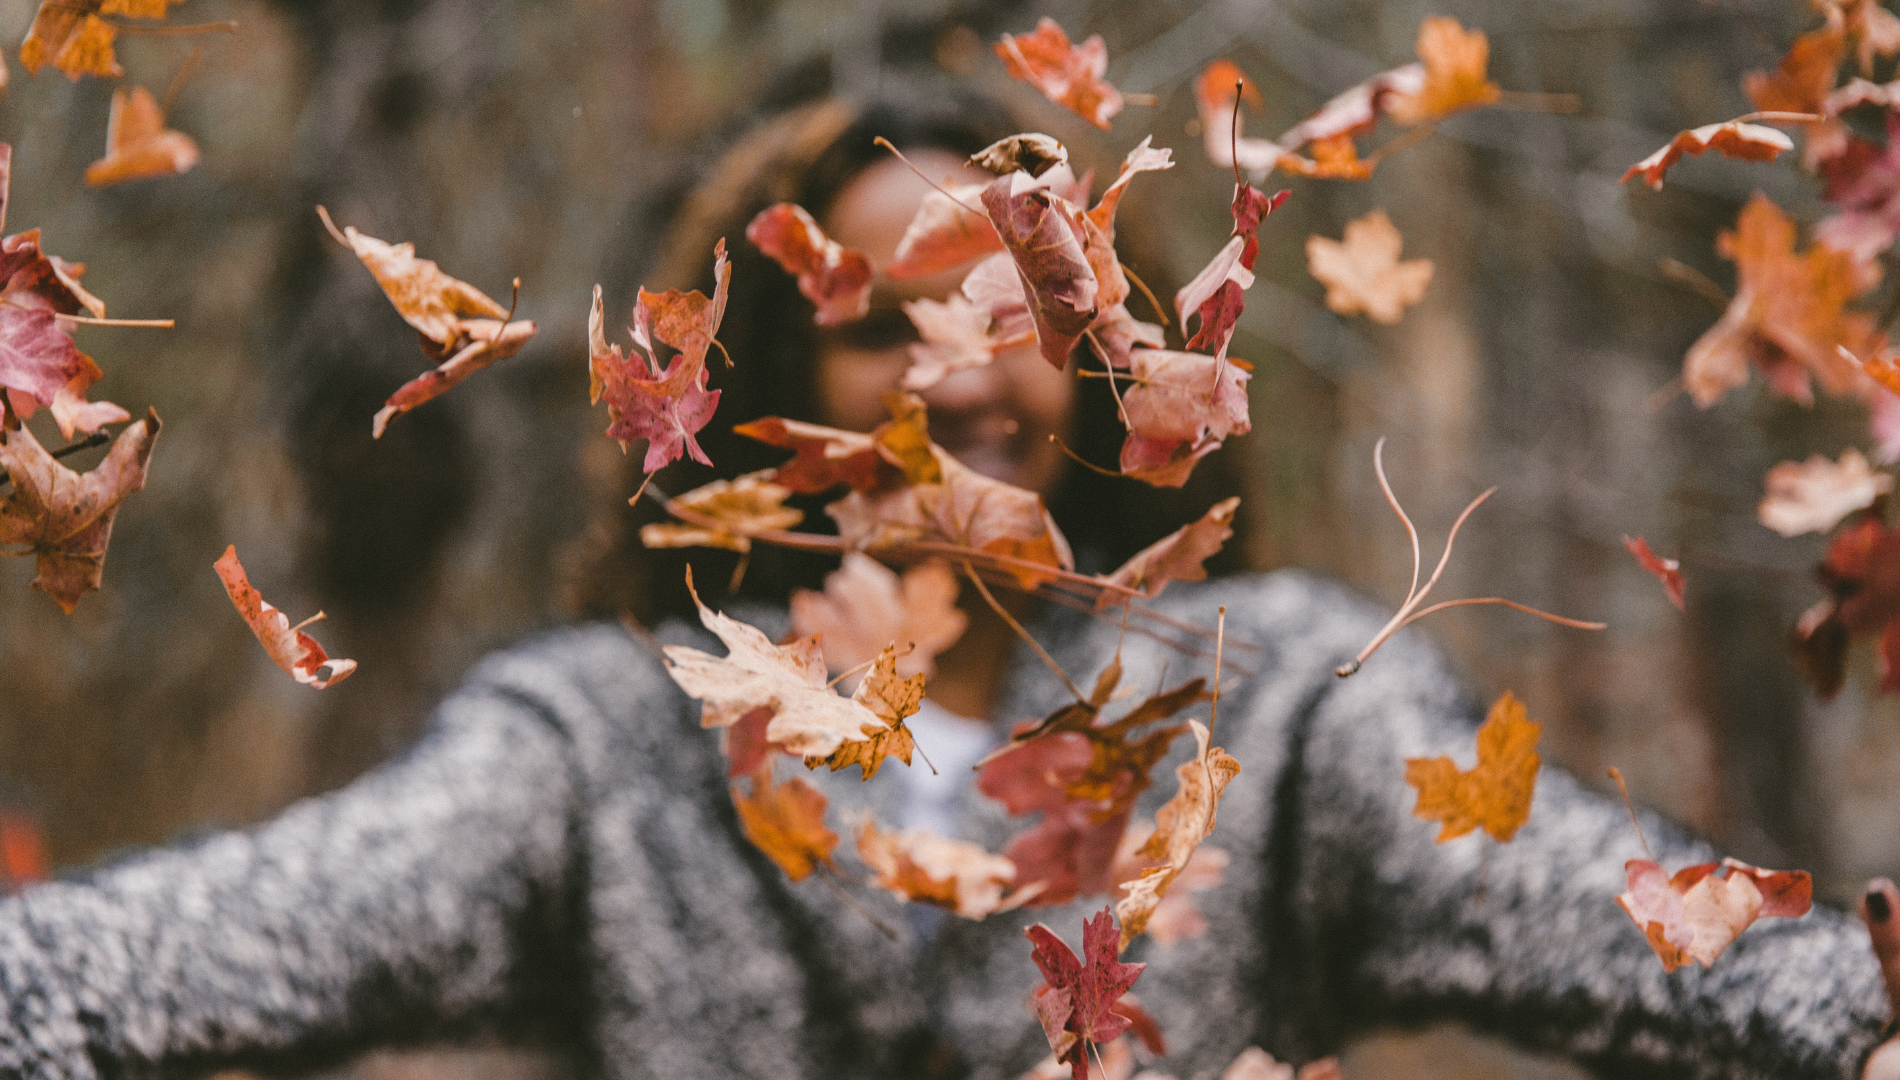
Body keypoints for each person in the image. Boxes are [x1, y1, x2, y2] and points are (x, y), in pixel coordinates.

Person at [1, 69, 1897, 1080]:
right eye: (872, 331)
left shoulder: (1271, 707)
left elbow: (1612, 925)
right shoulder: (607, 747)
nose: (953, 374)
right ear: (767, 388)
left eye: (1009, 311)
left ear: (1092, 356)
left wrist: (1862, 1008)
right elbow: (231, 937)